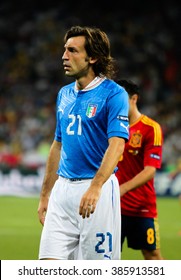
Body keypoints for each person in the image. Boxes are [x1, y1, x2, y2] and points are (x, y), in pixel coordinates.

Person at [37, 26, 129, 260]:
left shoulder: (113, 94)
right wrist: (45, 194)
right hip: (62, 192)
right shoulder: (64, 94)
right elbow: (58, 144)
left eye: (72, 51)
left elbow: (117, 145)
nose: (64, 56)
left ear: (93, 57)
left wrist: (96, 186)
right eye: (64, 50)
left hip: (95, 189)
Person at [115, 79, 164, 260]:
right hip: (113, 207)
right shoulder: (111, 126)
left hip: (141, 207)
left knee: (152, 255)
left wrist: (122, 189)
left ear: (134, 98)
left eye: (120, 99)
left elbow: (150, 170)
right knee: (107, 256)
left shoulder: (151, 128)